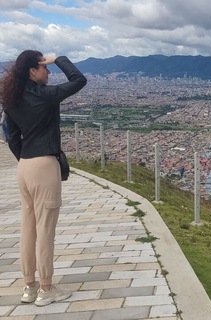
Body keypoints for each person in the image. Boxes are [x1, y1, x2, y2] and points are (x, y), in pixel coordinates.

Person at [0, 51, 87, 306]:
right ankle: (47, 289)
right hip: (44, 165)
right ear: (33, 70)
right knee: (46, 230)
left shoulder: (11, 100)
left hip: (24, 166)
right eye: (43, 67)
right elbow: (79, 79)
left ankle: (29, 286)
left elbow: (12, 139)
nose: (47, 72)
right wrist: (58, 59)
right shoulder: (46, 96)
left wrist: (26, 158)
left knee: (28, 228)